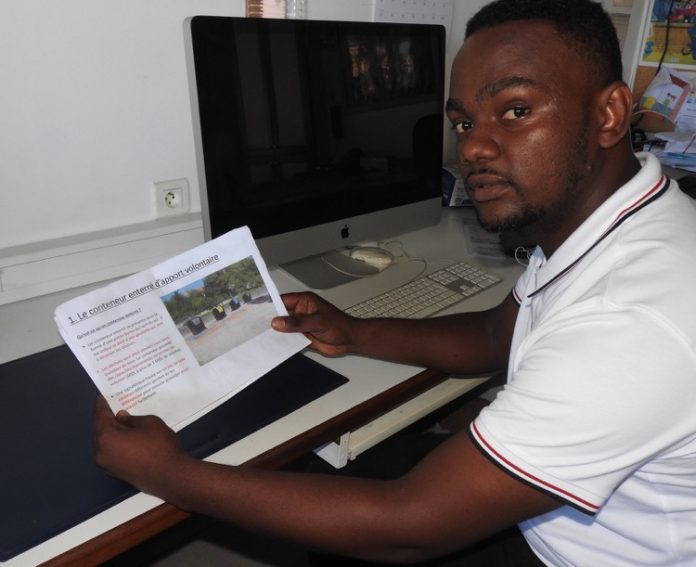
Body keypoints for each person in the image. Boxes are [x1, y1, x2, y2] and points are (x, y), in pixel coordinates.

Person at [94, 0, 696, 564]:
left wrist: (168, 475)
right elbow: (496, 334)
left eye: (515, 111)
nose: (475, 148)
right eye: (462, 123)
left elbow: (408, 527)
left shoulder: (628, 316)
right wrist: (354, 331)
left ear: (610, 114)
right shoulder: (609, 223)